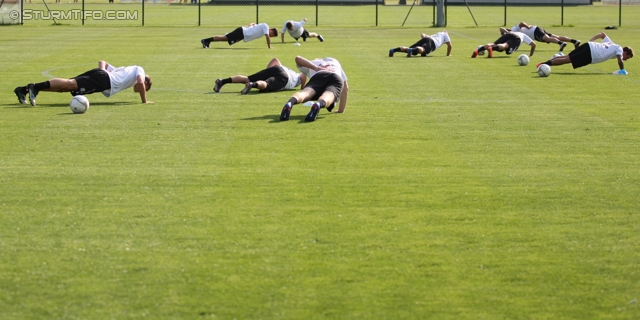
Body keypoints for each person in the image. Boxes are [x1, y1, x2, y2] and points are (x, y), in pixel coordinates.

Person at [14, 60, 152, 106]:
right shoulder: (139, 70)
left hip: (102, 77)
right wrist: (144, 101)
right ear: (146, 82)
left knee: (66, 87)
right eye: (146, 88)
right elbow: (140, 83)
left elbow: (102, 62)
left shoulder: (123, 71)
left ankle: (23, 90)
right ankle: (35, 88)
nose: (141, 89)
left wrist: (103, 71)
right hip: (103, 80)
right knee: (70, 84)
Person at [280, 56, 348, 122]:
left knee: (306, 93)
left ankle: (290, 103)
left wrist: (316, 68)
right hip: (336, 78)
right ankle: (318, 105)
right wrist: (341, 110)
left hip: (319, 75)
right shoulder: (336, 63)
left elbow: (298, 59)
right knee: (329, 94)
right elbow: (345, 88)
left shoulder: (314, 62)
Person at [537, 32, 633, 74]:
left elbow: (602, 34)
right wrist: (622, 70)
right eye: (627, 57)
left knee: (567, 57)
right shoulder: (619, 49)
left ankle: (543, 64)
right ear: (625, 52)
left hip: (588, 46)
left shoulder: (612, 44)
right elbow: (620, 60)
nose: (625, 59)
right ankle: (543, 65)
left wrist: (592, 40)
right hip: (591, 54)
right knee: (567, 59)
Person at [212, 58, 307, 94]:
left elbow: (275, 60)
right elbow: (303, 75)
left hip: (278, 68)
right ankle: (252, 85)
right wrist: (303, 87)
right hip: (285, 79)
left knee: (246, 78)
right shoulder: (297, 76)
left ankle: (222, 81)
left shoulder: (292, 71)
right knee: (266, 84)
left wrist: (267, 71)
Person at [510, 22, 580, 52]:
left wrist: (528, 26)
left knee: (547, 39)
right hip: (536, 30)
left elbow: (521, 23)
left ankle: (561, 43)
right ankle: (574, 41)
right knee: (556, 37)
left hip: (534, 32)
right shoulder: (515, 34)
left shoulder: (513, 30)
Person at [201, 23, 277, 49]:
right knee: (225, 38)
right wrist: (269, 47)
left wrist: (250, 24)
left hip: (242, 33)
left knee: (226, 38)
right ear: (272, 32)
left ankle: (207, 41)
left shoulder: (264, 27)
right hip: (242, 32)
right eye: (272, 36)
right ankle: (206, 40)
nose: (270, 36)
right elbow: (267, 36)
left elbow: (253, 23)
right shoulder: (266, 27)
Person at [471, 31, 536, 58]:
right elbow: (533, 44)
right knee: (505, 46)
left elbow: (501, 29)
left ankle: (477, 51)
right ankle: (491, 49)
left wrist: (504, 32)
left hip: (509, 33)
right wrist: (530, 55)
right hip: (516, 38)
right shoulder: (524, 35)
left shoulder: (514, 31)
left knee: (494, 44)